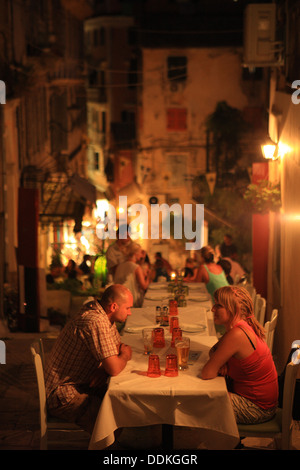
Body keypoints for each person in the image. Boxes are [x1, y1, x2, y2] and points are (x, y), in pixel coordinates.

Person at [45, 284, 133, 435]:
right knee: (113, 420)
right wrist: (123, 356)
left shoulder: (102, 313)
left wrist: (103, 369)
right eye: (128, 308)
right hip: (62, 394)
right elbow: (116, 365)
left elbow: (117, 347)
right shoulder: (95, 321)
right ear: (113, 307)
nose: (130, 313)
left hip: (81, 382)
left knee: (123, 402)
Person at [201, 286, 278, 425]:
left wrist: (217, 363)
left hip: (256, 408)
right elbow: (213, 349)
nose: (213, 309)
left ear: (233, 308)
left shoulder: (237, 334)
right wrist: (221, 361)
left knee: (203, 400)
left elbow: (207, 373)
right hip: (263, 402)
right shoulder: (242, 326)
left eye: (218, 305)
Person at [114, 242, 150, 307]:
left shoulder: (119, 266)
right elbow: (144, 287)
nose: (141, 255)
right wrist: (150, 276)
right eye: (140, 252)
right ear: (135, 254)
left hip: (119, 300)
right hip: (133, 300)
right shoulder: (136, 267)